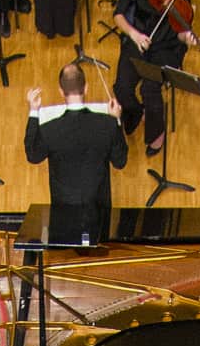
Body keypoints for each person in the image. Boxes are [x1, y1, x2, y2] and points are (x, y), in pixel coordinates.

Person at [112, 0, 200, 156]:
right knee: (122, 86)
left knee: (149, 88)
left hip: (168, 46)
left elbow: (182, 28)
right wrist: (134, 34)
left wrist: (186, 37)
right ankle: (136, 113)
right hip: (141, 38)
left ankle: (156, 133)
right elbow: (118, 15)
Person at [27, 63, 129, 241]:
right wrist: (117, 121)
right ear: (86, 87)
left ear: (61, 91)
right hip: (98, 206)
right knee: (100, 247)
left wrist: (34, 111)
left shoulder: (50, 129)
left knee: (67, 251)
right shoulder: (107, 124)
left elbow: (33, 155)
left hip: (64, 207)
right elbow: (120, 161)